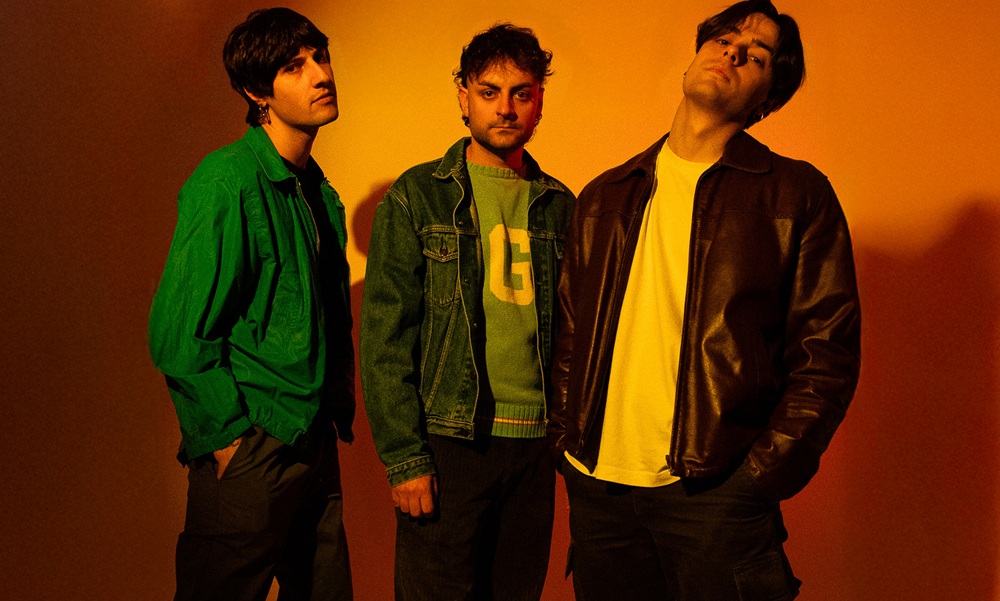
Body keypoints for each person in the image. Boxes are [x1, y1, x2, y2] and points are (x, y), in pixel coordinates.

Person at [548, 1, 861, 599]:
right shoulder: (604, 195)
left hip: (717, 493)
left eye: (758, 55)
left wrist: (758, 476)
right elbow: (569, 333)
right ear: (694, 58)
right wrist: (567, 445)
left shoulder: (795, 195)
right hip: (598, 492)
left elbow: (828, 355)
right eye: (724, 39)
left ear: (767, 99)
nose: (734, 52)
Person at [360, 23, 574, 601]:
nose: (505, 108)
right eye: (489, 92)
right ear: (463, 97)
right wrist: (405, 458)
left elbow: (578, 337)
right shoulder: (418, 195)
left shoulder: (561, 206)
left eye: (521, 93)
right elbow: (384, 338)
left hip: (534, 447)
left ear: (539, 102)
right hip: (451, 439)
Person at [148, 8, 354, 600]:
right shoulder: (227, 181)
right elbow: (177, 332)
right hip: (255, 441)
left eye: (320, 56)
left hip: (312, 436)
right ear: (256, 92)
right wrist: (229, 439)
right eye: (295, 66)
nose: (321, 74)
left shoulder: (317, 190)